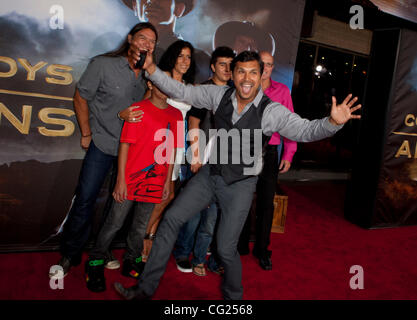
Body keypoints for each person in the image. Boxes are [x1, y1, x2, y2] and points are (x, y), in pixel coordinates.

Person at [114, 50, 361, 300]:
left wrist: (333, 123)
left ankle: (234, 299)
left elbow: (305, 130)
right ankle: (144, 290)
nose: (247, 78)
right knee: (171, 220)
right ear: (232, 74)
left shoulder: (271, 111)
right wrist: (152, 69)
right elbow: (183, 92)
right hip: (211, 174)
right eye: (241, 71)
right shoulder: (217, 94)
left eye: (253, 72)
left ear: (261, 75)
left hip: (241, 184)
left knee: (225, 248)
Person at [49, 22, 158, 278]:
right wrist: (86, 132)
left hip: (131, 150)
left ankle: (102, 249)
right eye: (142, 38)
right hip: (102, 143)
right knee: (86, 199)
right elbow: (80, 97)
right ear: (130, 38)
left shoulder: (149, 73)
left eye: (152, 41)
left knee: (116, 204)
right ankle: (70, 252)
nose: (147, 44)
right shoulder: (103, 64)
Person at [84, 77, 181, 292]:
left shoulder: (177, 115)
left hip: (156, 180)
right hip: (131, 179)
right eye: (159, 84)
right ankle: (95, 261)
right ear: (150, 85)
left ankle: (131, 260)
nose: (164, 89)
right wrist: (120, 180)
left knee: (140, 226)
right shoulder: (138, 109)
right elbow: (125, 145)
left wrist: (167, 181)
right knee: (114, 223)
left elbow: (172, 150)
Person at [173, 46, 235, 276]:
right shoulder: (203, 90)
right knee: (194, 212)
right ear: (212, 66)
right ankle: (182, 252)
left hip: (223, 163)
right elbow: (194, 124)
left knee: (212, 215)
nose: (227, 69)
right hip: (201, 158)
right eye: (222, 64)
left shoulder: (235, 92)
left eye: (231, 65)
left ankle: (200, 256)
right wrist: (196, 155)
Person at [237, 51, 297, 270]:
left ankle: (262, 250)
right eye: (261, 64)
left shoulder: (282, 91)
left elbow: (290, 123)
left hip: (270, 152)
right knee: (240, 199)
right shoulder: (243, 87)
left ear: (272, 68)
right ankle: (240, 245)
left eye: (269, 65)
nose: (265, 68)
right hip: (244, 149)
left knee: (266, 204)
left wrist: (288, 153)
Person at [141, 39, 195, 263]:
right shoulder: (161, 78)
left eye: (189, 57)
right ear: (173, 57)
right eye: (181, 56)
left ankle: (148, 236)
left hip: (178, 145)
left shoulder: (190, 87)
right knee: (160, 194)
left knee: (168, 195)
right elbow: (146, 105)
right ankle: (143, 238)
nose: (185, 61)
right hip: (159, 142)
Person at [122, 0, 210, 83]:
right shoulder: (122, 58)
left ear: (179, 9)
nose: (152, 1)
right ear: (135, 7)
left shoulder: (198, 60)